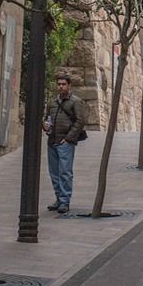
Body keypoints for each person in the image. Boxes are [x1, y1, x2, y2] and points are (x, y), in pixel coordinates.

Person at [42, 73, 86, 213]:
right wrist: (44, 125)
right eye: (59, 84)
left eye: (63, 84)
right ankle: (59, 198)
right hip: (52, 141)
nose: (60, 86)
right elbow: (46, 118)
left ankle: (65, 201)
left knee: (65, 172)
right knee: (54, 172)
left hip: (65, 142)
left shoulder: (75, 101)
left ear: (69, 85)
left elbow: (80, 122)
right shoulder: (53, 103)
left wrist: (68, 139)